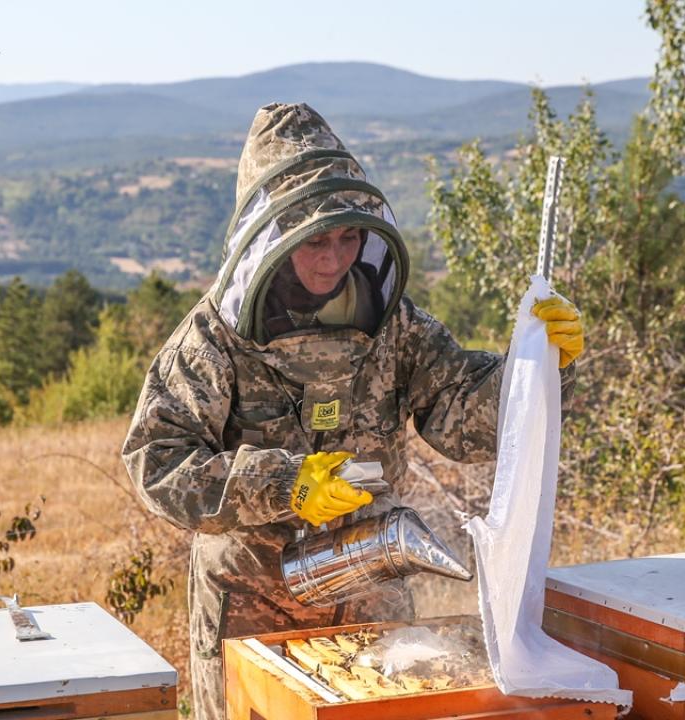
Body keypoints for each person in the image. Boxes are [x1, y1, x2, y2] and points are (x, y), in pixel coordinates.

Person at [121, 102, 583, 720]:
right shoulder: (212, 339)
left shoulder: (394, 322)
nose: (332, 259)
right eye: (314, 240)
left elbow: (463, 415)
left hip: (371, 586)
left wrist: (540, 369)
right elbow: (157, 462)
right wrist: (283, 484)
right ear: (273, 238)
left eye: (347, 238)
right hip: (253, 600)